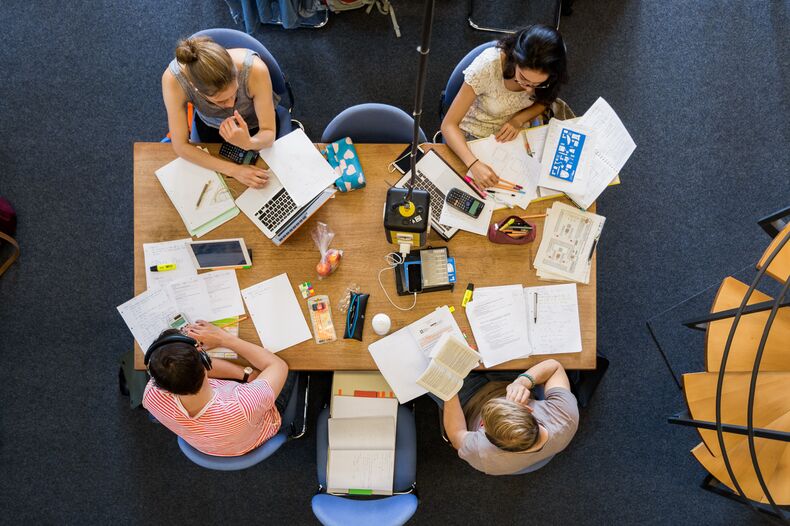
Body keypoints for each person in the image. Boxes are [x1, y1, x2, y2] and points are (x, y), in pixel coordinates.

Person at [441, 25, 568, 189]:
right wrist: (473, 164)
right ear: (515, 59)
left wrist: (519, 120)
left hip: (511, 135)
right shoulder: (488, 66)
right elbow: (448, 125)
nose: (529, 89)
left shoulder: (551, 75)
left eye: (537, 84)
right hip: (471, 132)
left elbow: (544, 102)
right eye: (523, 78)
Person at [142, 321, 291, 457]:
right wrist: (224, 339)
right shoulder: (243, 403)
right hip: (255, 427)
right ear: (206, 363)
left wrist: (247, 375)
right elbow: (277, 365)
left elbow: (183, 371)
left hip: (213, 443)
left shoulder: (151, 396)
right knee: (294, 365)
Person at [162, 36, 277, 189]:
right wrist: (234, 170)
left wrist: (249, 142)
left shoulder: (255, 70)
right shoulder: (173, 81)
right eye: (220, 100)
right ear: (194, 87)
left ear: (236, 73)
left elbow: (269, 132)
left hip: (254, 124)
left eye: (235, 93)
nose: (231, 106)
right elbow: (180, 146)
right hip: (211, 125)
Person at [442, 359, 579, 475]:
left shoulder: (482, 452)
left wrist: (449, 391)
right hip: (511, 382)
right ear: (527, 408)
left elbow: (456, 435)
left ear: (487, 436)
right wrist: (522, 382)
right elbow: (554, 367)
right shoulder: (565, 415)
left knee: (437, 365)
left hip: (471, 400)